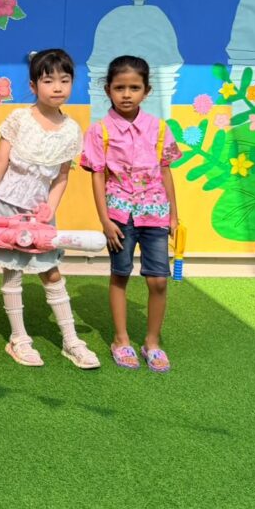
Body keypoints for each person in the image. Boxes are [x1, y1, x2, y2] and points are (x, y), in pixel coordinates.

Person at [0, 49, 100, 370]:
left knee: (51, 270)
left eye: (64, 80)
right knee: (12, 271)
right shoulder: (19, 119)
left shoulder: (72, 130)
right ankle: (19, 338)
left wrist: (51, 207)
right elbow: (0, 161)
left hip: (40, 214)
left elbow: (62, 176)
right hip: (6, 206)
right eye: (48, 80)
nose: (57, 87)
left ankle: (71, 340)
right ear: (33, 86)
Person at [80, 55, 180, 373]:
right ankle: (121, 339)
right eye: (119, 87)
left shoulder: (159, 128)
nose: (126, 94)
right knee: (120, 274)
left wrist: (174, 216)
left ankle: (152, 342)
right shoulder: (99, 131)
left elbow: (165, 171)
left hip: (155, 214)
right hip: (120, 217)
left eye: (134, 88)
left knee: (158, 280)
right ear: (108, 89)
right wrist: (105, 220)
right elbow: (97, 176)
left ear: (146, 91)